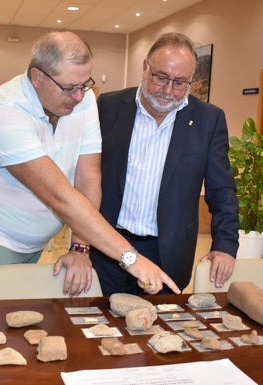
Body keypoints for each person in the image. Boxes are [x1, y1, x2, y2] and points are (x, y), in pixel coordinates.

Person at [0, 31, 181, 300]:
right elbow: (59, 195)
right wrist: (131, 258)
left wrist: (80, 247)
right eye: (70, 87)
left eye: (86, 84)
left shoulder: (81, 100)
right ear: (38, 77)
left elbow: (88, 178)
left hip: (33, 240)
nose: (80, 95)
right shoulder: (4, 110)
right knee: (1, 327)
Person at [91, 32, 239, 296]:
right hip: (108, 248)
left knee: (161, 332)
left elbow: (222, 190)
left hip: (166, 253)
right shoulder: (109, 107)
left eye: (180, 82)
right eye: (161, 77)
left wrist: (225, 245)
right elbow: (86, 177)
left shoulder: (208, 120)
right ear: (145, 67)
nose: (168, 90)